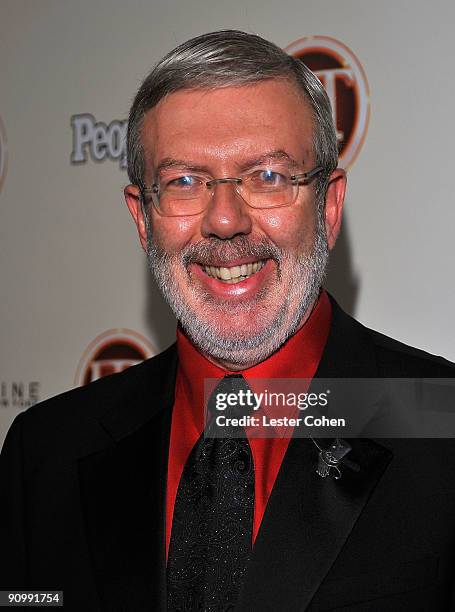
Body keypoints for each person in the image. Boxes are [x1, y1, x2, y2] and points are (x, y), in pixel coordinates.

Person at [1, 30, 455, 612]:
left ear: (329, 208)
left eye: (267, 176)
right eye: (185, 182)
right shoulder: (45, 457)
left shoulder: (442, 431)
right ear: (143, 220)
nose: (224, 220)